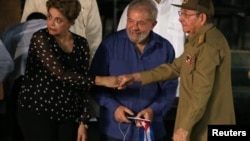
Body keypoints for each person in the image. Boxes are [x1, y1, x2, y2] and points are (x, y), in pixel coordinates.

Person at [118, 0, 236, 141]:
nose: (180, 18)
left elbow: (201, 93)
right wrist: (136, 77)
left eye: (186, 14)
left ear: (202, 18)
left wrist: (184, 128)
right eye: (181, 13)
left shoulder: (208, 45)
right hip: (198, 124)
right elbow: (173, 68)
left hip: (208, 126)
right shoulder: (195, 41)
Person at [16, 0, 118, 141]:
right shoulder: (40, 38)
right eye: (49, 17)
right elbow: (60, 73)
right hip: (38, 111)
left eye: (58, 20)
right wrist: (101, 80)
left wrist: (83, 121)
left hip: (68, 114)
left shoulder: (81, 44)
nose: (51, 23)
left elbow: (82, 86)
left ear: (71, 22)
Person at [90, 0, 178, 140]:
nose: (134, 27)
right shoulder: (110, 45)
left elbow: (169, 89)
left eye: (141, 23)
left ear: (153, 24)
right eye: (130, 21)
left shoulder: (165, 48)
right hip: (114, 131)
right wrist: (114, 108)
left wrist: (152, 110)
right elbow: (95, 84)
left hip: (152, 130)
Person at [0, 12, 47, 141]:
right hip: (47, 84)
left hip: (20, 83)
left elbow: (5, 62)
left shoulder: (12, 31)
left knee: (17, 127)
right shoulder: (51, 28)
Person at [20, 0, 102, 60]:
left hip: (77, 63)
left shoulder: (89, 1)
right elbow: (26, 33)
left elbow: (94, 36)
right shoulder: (35, 1)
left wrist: (90, 67)